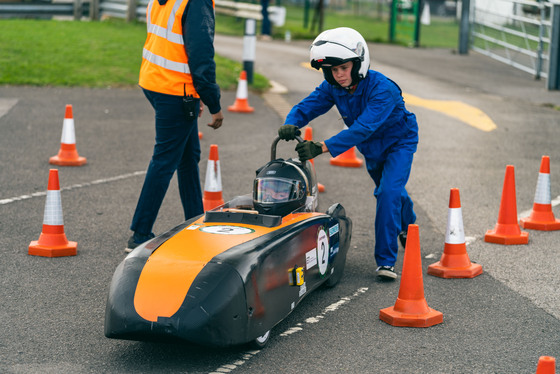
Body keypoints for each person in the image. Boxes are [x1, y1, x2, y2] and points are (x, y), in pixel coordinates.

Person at [277, 27, 418, 280]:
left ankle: (386, 262)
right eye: (333, 70)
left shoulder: (382, 88)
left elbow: (363, 128)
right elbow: (308, 106)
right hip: (371, 148)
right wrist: (291, 122)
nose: (339, 75)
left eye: (343, 68)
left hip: (399, 143)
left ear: (358, 63)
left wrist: (321, 147)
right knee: (392, 192)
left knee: (387, 193)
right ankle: (408, 226)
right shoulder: (333, 87)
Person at [126, 0, 224, 252]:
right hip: (175, 90)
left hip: (154, 80)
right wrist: (213, 103)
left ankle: (195, 220)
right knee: (165, 159)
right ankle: (140, 233)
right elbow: (201, 55)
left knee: (188, 156)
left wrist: (194, 96)